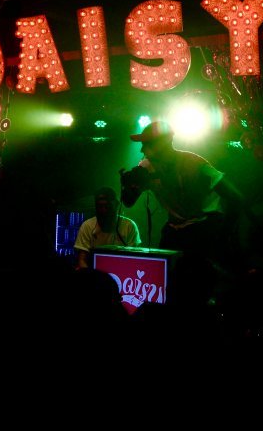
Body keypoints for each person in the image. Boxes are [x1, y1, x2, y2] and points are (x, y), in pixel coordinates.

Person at [121, 121, 246, 303]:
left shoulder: (194, 164)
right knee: (165, 275)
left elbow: (236, 198)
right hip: (175, 228)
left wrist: (223, 235)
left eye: (147, 144)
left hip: (203, 226)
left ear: (163, 144)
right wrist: (130, 186)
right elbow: (128, 201)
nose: (142, 149)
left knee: (200, 281)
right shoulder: (146, 167)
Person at [74, 186, 141, 270]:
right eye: (100, 206)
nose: (103, 210)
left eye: (107, 206)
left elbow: (135, 259)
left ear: (116, 205)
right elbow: (81, 260)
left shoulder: (129, 226)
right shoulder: (87, 226)